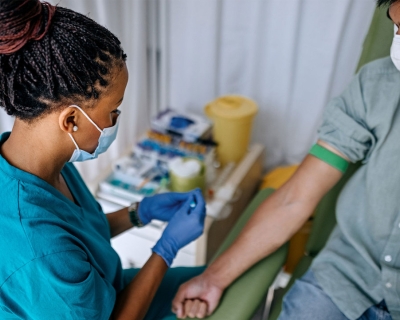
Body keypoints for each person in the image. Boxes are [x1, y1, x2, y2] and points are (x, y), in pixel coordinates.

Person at [172, 1, 400, 319]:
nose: (397, 41)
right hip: (347, 281)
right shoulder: (378, 86)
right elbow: (295, 198)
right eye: (396, 27)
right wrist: (213, 278)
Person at [0, 1, 206, 319]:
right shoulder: (36, 242)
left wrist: (140, 212)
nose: (115, 120)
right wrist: (166, 249)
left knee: (211, 280)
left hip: (109, 292)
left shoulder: (41, 164)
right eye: (113, 111)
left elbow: (81, 244)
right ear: (71, 121)